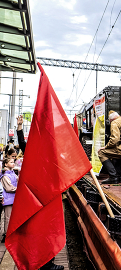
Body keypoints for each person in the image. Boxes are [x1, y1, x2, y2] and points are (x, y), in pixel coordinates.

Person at [15, 115, 64, 270]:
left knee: (48, 230)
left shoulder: (51, 153)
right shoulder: (34, 151)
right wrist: (20, 127)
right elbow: (22, 143)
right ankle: (45, 265)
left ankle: (47, 263)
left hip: (46, 196)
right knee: (43, 231)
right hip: (39, 196)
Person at [0, 158, 18, 243]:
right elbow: (9, 188)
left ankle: (11, 233)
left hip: (13, 198)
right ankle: (7, 234)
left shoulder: (12, 173)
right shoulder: (5, 176)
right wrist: (19, 189)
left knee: (11, 217)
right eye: (11, 162)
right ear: (6, 164)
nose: (13, 163)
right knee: (8, 218)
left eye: (13, 162)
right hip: (8, 199)